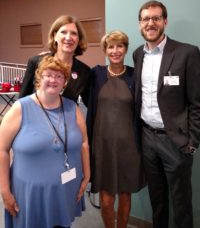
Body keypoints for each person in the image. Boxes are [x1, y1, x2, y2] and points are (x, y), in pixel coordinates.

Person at [133, 0, 200, 228]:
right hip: (147, 138)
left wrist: (192, 143)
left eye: (155, 18)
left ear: (165, 21)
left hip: (176, 142)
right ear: (140, 24)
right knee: (158, 200)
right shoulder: (138, 55)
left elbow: (197, 103)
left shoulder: (187, 53)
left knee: (181, 202)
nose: (150, 23)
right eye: (145, 19)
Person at [0, 56, 90, 228]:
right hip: (30, 195)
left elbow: (84, 143)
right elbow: (2, 150)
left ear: (64, 82)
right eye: (49, 75)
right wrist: (4, 190)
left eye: (59, 76)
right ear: (39, 77)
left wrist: (87, 176)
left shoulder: (73, 108)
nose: (53, 80)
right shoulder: (20, 108)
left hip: (65, 190)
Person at [87, 31, 145, 228]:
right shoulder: (96, 74)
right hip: (102, 146)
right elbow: (72, 77)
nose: (115, 50)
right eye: (110, 47)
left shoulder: (135, 76)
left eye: (119, 46)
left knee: (125, 196)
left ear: (126, 49)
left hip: (129, 147)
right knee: (105, 199)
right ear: (105, 50)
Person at [19, 15, 91, 106]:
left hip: (67, 119)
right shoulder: (36, 62)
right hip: (36, 119)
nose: (68, 38)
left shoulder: (84, 71)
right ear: (55, 36)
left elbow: (91, 104)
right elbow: (22, 99)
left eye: (74, 33)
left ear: (79, 39)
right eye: (63, 32)